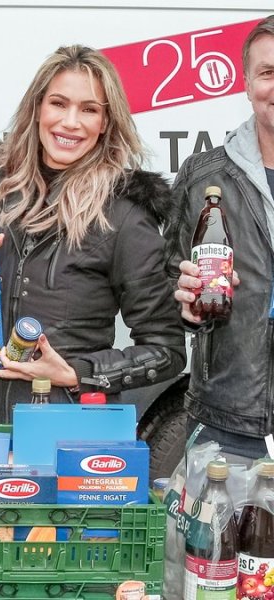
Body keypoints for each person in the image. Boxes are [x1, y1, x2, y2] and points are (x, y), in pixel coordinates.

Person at [0, 45, 186, 423]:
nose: (70, 122)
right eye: (58, 103)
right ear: (38, 108)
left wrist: (75, 374)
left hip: (66, 431)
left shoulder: (126, 214)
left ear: (105, 122)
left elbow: (166, 350)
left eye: (89, 109)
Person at [165, 15, 274, 463]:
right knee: (225, 537)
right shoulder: (202, 177)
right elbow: (161, 293)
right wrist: (188, 310)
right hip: (228, 421)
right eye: (268, 72)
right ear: (247, 83)